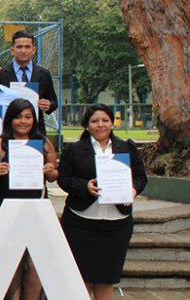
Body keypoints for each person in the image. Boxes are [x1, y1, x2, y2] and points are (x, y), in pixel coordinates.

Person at [58, 103, 147, 300]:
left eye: (105, 120)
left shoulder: (127, 148)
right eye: (95, 121)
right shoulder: (74, 150)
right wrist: (85, 186)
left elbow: (141, 177)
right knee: (81, 279)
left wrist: (133, 189)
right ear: (87, 126)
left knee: (107, 278)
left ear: (112, 123)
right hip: (81, 223)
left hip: (117, 226)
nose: (101, 125)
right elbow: (64, 179)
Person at [0, 99, 59, 300]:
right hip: (7, 208)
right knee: (10, 260)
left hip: (36, 207)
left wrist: (50, 171)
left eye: (28, 117)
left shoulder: (43, 143)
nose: (23, 121)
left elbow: (54, 177)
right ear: (10, 119)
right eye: (18, 117)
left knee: (36, 261)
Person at [0, 30, 59, 135]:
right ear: (12, 50)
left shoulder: (44, 74)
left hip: (36, 131)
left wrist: (49, 105)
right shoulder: (1, 74)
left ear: (33, 49)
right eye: (19, 47)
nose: (23, 50)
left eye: (27, 47)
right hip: (9, 131)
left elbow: (53, 101)